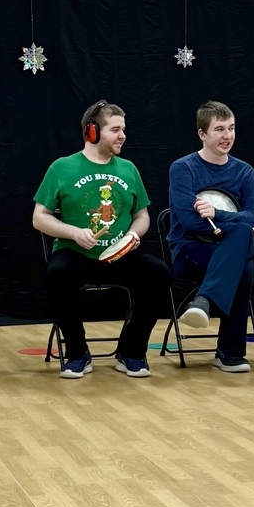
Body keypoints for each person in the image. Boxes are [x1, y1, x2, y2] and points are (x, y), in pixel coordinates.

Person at [32, 100, 172, 379]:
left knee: (159, 274)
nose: (122, 135)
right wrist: (73, 232)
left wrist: (134, 234)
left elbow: (142, 215)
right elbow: (39, 217)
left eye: (124, 129)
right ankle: (77, 352)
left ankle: (131, 351)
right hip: (76, 253)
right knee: (57, 274)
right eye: (115, 129)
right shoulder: (62, 167)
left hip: (120, 255)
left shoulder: (129, 169)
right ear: (92, 132)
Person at [167, 101, 254, 373]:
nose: (228, 136)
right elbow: (190, 221)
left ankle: (204, 301)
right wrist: (243, 226)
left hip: (228, 246)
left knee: (243, 256)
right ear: (202, 134)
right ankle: (229, 352)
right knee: (243, 259)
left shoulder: (243, 171)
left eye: (232, 128)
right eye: (220, 129)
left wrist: (217, 214)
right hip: (189, 249)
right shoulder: (183, 168)